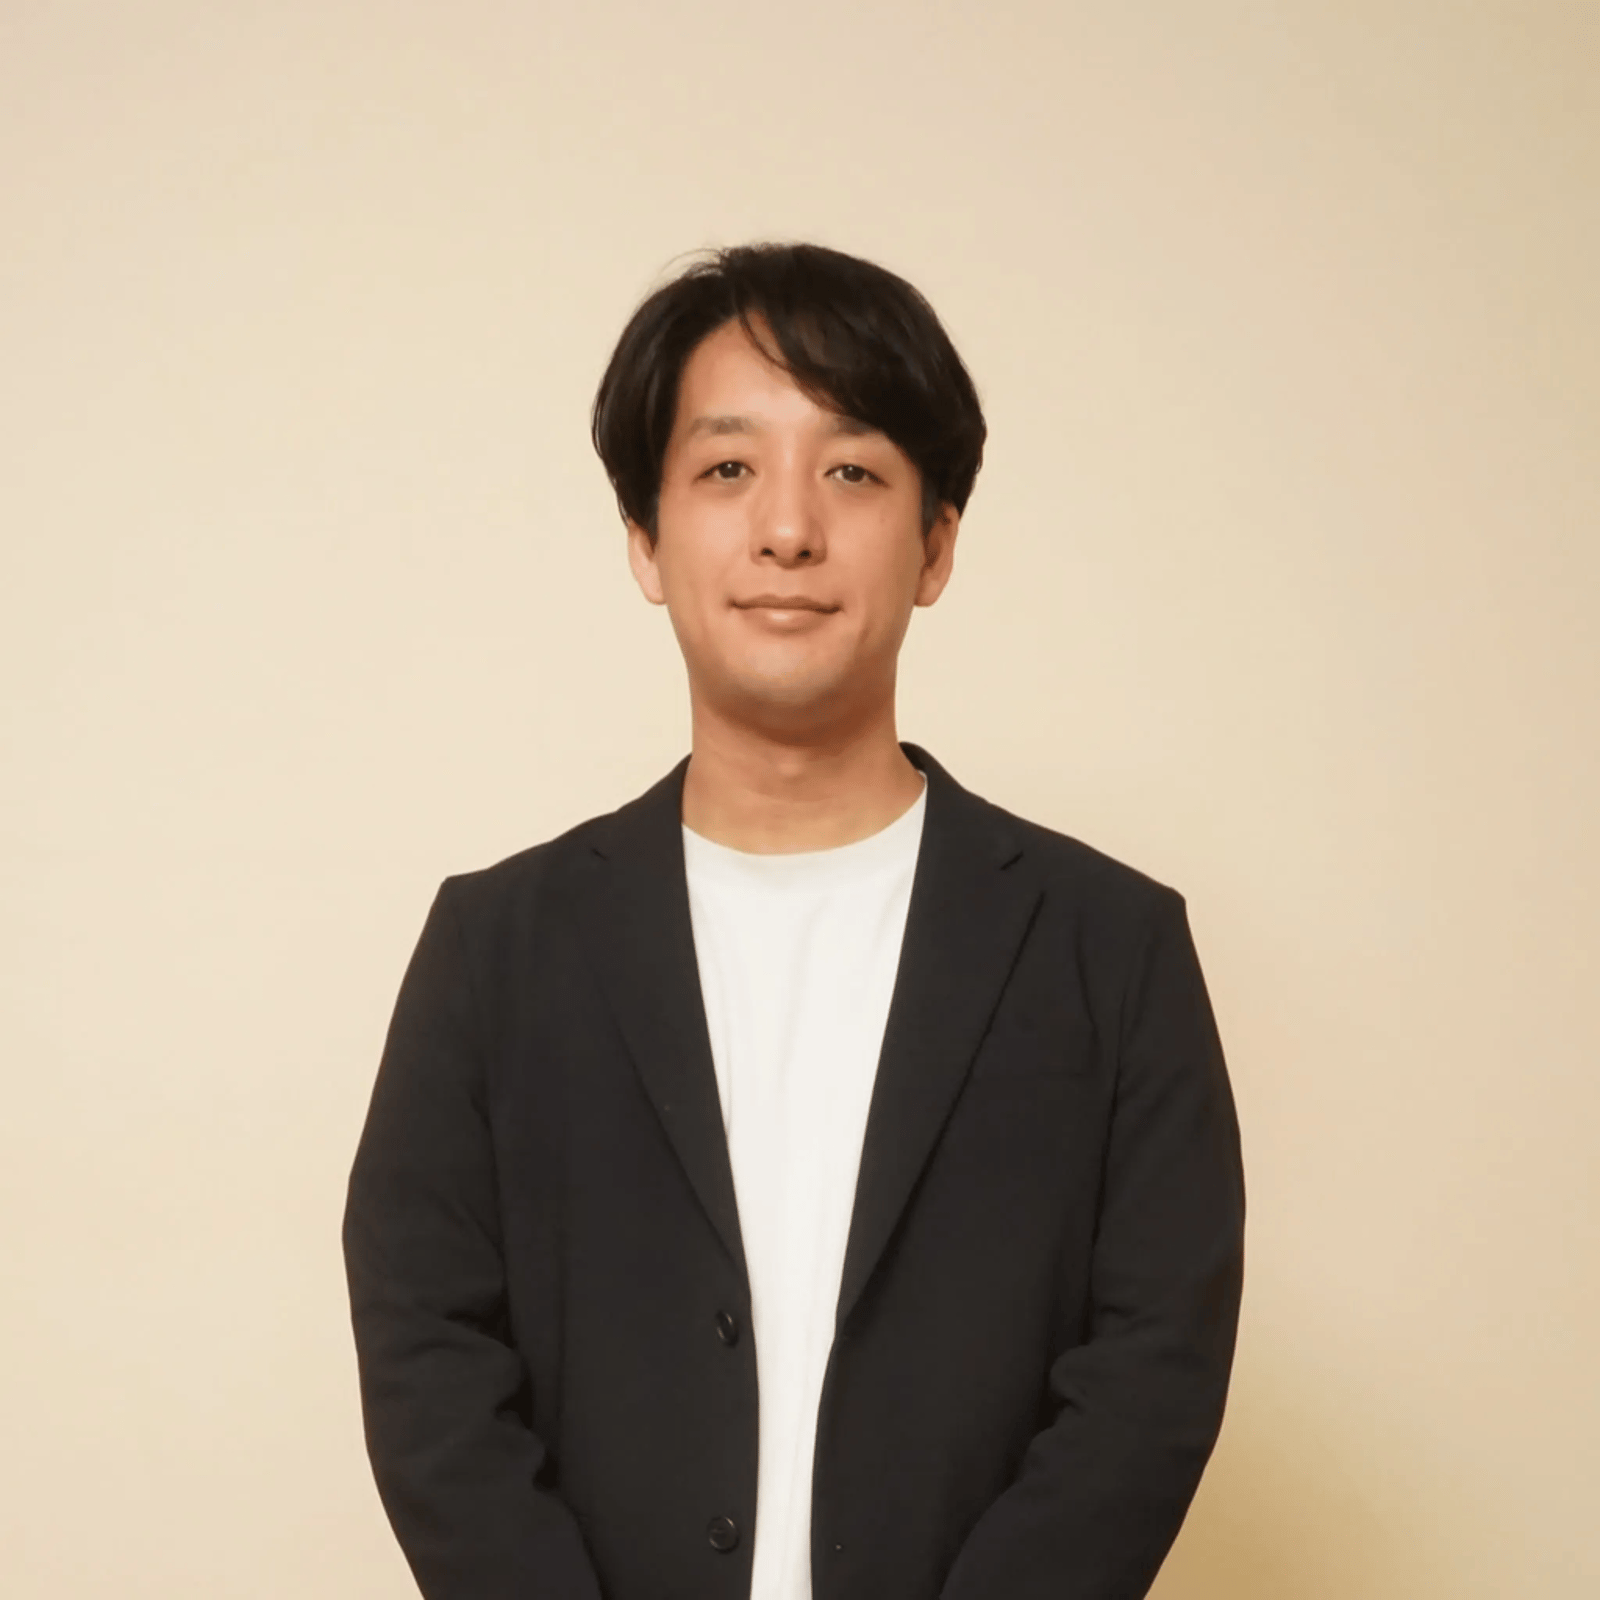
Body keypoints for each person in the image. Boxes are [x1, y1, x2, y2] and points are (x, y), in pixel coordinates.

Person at [342, 241, 1246, 1600]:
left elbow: (1151, 1375)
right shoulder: (496, 949)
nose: (786, 530)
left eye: (853, 471)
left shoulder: (1110, 948)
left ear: (937, 544)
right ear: (645, 540)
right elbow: (428, 1354)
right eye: (726, 469)